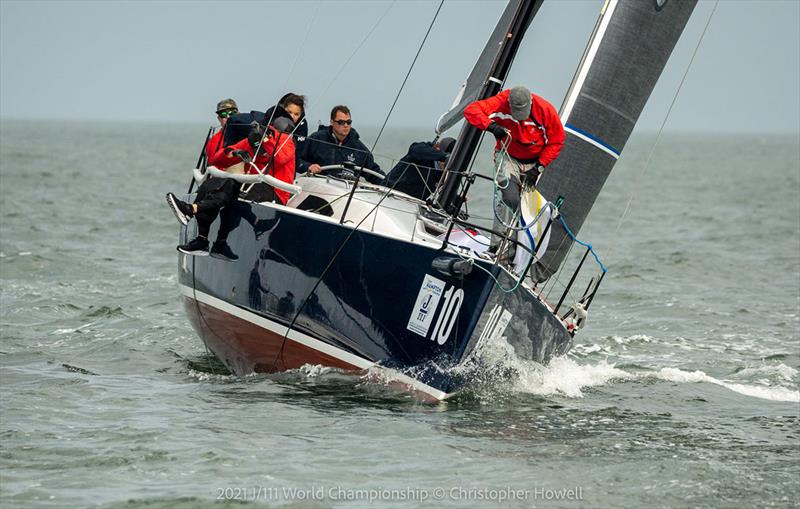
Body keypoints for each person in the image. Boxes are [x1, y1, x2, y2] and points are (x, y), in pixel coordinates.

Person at [166, 115, 295, 256]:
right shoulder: (256, 138)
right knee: (217, 187)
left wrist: (266, 140)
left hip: (276, 191)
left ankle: (192, 213)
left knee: (231, 194)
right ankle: (210, 240)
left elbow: (279, 159)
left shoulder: (286, 141)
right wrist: (235, 153)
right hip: (253, 184)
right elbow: (217, 159)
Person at [463, 85, 565, 254]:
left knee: (529, 205)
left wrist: (539, 167)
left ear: (531, 102)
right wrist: (490, 126)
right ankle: (496, 246)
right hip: (508, 157)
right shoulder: (502, 100)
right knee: (509, 198)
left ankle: (520, 249)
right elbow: (471, 110)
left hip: (534, 162)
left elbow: (557, 140)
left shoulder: (545, 109)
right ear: (509, 103)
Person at [301, 105, 384, 184]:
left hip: (344, 193)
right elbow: (297, 159)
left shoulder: (358, 147)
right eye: (341, 122)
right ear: (332, 122)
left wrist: (389, 184)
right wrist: (308, 166)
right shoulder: (316, 139)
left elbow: (373, 171)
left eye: (348, 122)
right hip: (318, 188)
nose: (345, 125)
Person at [385, 137, 456, 200]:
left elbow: (443, 189)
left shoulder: (444, 173)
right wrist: (445, 157)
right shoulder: (422, 150)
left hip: (414, 202)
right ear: (437, 149)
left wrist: (456, 199)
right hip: (389, 193)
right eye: (445, 161)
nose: (446, 164)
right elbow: (414, 150)